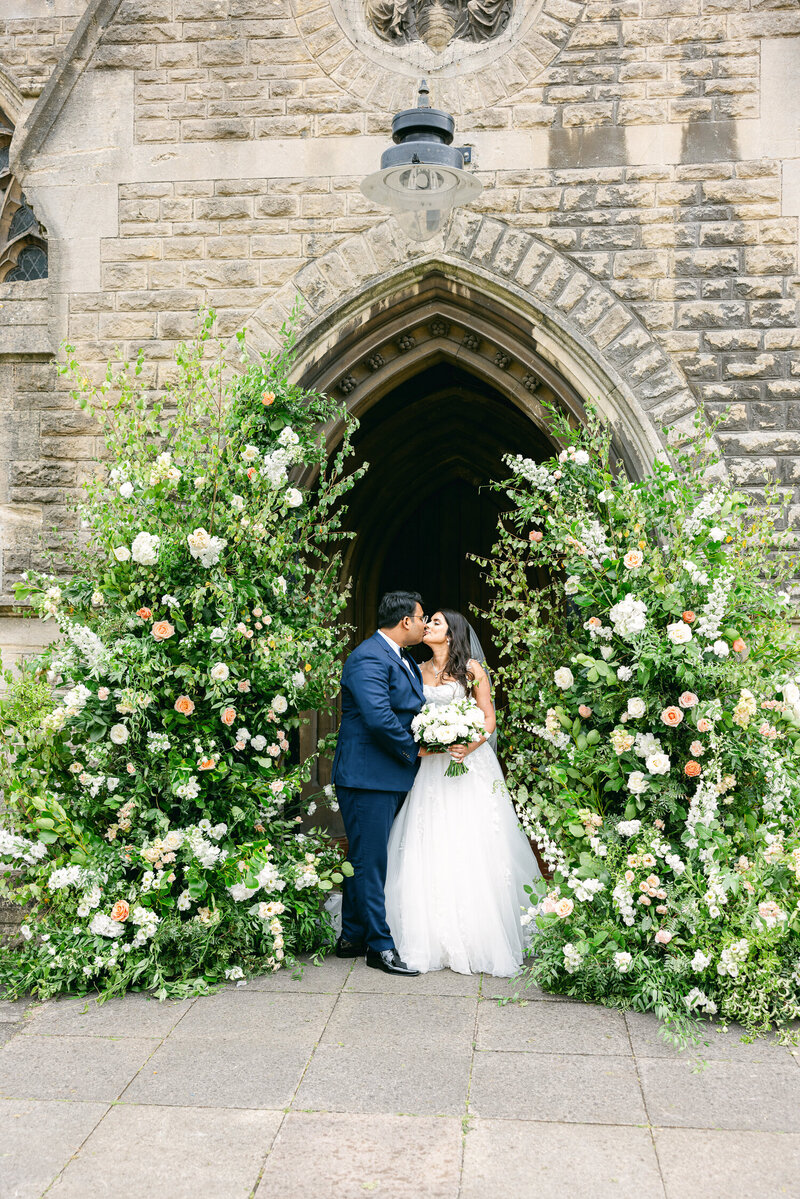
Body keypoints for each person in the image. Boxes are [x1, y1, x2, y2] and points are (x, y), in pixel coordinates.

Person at [385, 609, 541, 976]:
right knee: (432, 839)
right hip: (433, 768)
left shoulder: (472, 670)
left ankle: (481, 934)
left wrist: (467, 745)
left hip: (470, 763)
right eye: (429, 621)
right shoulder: (417, 670)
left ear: (452, 633)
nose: (428, 626)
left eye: (436, 622)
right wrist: (427, 738)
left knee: (474, 840)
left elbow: (488, 717)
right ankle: (432, 935)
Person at [330, 590, 427, 976]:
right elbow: (378, 717)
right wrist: (415, 750)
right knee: (372, 862)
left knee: (364, 857)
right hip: (367, 776)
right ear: (405, 621)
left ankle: (352, 935)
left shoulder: (403, 658)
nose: (423, 624)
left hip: (386, 776)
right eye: (421, 617)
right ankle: (379, 946)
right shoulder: (369, 656)